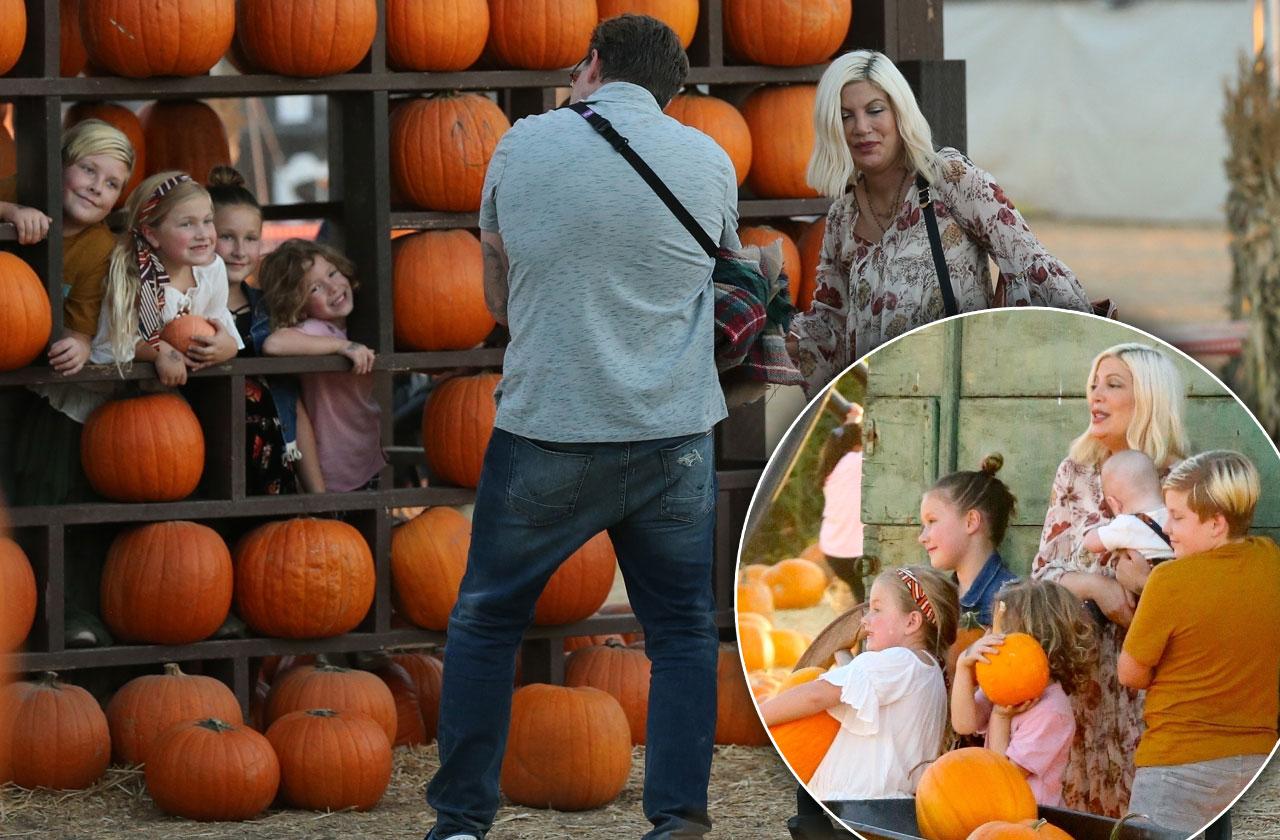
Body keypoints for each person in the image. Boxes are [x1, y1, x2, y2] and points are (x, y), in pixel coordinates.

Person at [423, 15, 738, 840]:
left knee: (488, 620)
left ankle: (460, 821)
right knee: (678, 634)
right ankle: (678, 821)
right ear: (669, 89)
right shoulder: (709, 158)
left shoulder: (522, 145)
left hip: (551, 429)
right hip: (673, 435)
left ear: (593, 65)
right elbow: (716, 273)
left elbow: (496, 298)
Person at [787, 50, 1092, 396]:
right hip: (883, 414)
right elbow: (830, 327)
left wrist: (1086, 348)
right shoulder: (843, 217)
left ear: (899, 112)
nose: (861, 128)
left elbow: (1030, 264)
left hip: (962, 401)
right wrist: (767, 333)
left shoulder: (948, 179)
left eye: (875, 110)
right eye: (845, 116)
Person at [1031, 342, 1189, 816]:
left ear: (1150, 398)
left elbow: (1199, 591)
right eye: (1093, 385)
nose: (1096, 396)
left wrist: (1144, 584)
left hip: (1155, 682)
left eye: (1113, 385)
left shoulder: (1183, 481)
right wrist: (1095, 585)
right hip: (1083, 680)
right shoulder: (1074, 472)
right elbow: (1041, 577)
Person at [1119, 450, 1280, 836]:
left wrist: (1146, 590)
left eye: (1177, 517)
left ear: (1216, 524)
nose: (1167, 528)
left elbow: (1131, 673)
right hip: (1258, 762)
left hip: (1176, 766)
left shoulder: (1169, 581)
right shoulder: (1271, 562)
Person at [0, 119, 135, 506]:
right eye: (88, 169)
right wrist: (11, 210)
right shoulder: (22, 189)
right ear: (58, 166)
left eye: (111, 183)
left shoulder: (99, 249)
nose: (96, 186)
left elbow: (81, 323)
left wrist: (77, 345)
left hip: (25, 370)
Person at [760, 566, 958, 801]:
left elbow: (817, 695)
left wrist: (760, 718)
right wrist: (843, 654)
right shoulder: (926, 669)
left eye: (876, 609)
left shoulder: (900, 661)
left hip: (856, 801)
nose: (865, 619)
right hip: (888, 806)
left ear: (912, 622)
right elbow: (857, 684)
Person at [207, 165, 311, 495]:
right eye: (227, 237)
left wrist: (319, 495)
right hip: (206, 464)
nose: (240, 250)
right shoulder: (190, 313)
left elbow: (292, 404)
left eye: (250, 239)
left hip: (270, 470)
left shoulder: (269, 311)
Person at [951, 579, 1097, 807]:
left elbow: (1006, 776)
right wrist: (963, 666)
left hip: (1030, 822)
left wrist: (1000, 718)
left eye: (998, 631)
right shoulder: (1001, 689)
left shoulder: (1052, 712)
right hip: (999, 816)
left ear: (1030, 642)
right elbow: (964, 724)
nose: (986, 636)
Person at [257, 239, 383, 493]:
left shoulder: (348, 327)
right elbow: (274, 343)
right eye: (315, 288)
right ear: (298, 308)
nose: (332, 287)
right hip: (333, 466)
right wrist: (339, 347)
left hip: (361, 458)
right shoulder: (314, 330)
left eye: (333, 273)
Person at [920, 454, 1019, 629]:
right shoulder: (941, 600)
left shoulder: (1012, 601)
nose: (922, 537)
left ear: (971, 521)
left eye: (932, 521)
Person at [1081, 449, 1174, 596]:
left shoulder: (1127, 524)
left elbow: (1091, 543)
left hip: (1145, 591)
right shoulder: (1175, 516)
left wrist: (1097, 530)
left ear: (1114, 503)